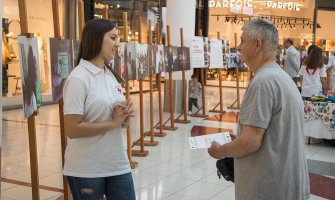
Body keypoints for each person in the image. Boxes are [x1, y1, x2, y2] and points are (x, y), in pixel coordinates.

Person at [208, 19, 310, 200]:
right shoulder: (281, 77)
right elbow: (272, 133)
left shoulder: (263, 82)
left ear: (257, 44)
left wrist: (220, 150)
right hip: (287, 184)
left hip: (269, 188)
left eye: (242, 40)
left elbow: (250, 142)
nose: (238, 47)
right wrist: (241, 137)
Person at [63, 19, 136, 200]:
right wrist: (113, 123)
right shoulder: (78, 79)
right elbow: (72, 129)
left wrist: (124, 117)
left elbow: (117, 121)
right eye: (113, 38)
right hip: (87, 168)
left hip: (117, 163)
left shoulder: (109, 74)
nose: (117, 44)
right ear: (96, 39)